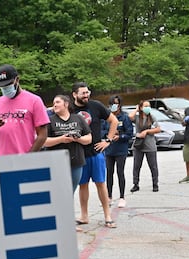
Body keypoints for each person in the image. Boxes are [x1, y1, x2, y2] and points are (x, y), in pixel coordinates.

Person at [72, 82, 118, 228]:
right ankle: (84, 216)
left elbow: (114, 121)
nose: (86, 95)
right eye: (82, 93)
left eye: (87, 92)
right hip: (79, 154)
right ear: (74, 94)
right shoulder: (70, 109)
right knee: (82, 185)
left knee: (100, 184)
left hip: (96, 153)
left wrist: (108, 140)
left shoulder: (96, 106)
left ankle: (107, 216)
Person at [0, 64, 49, 155]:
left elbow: (42, 135)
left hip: (25, 158)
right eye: (2, 86)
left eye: (8, 85)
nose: (5, 88)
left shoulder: (34, 100)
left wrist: (28, 157)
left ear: (17, 80)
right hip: (2, 160)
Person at [44, 94, 92, 192]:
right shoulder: (49, 120)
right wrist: (61, 139)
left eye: (57, 102)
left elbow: (89, 138)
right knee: (59, 191)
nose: (55, 105)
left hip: (76, 162)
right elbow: (44, 141)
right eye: (53, 103)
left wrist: (78, 139)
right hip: (57, 163)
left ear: (66, 104)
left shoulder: (78, 118)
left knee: (70, 191)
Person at [104, 95, 133, 208]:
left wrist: (120, 136)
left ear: (120, 105)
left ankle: (122, 197)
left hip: (121, 150)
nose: (113, 106)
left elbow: (130, 133)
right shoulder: (107, 118)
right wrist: (109, 135)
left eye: (115, 104)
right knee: (109, 173)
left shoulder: (124, 117)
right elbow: (102, 131)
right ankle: (109, 196)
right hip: (109, 149)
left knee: (120, 172)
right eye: (111, 104)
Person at [128, 100, 161, 192]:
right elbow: (130, 117)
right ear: (141, 107)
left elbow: (158, 129)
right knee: (136, 166)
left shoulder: (152, 117)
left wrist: (147, 131)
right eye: (145, 106)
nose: (147, 108)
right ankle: (136, 184)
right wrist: (136, 110)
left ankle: (155, 184)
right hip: (139, 145)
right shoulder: (138, 117)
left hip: (150, 145)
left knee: (153, 166)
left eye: (149, 106)